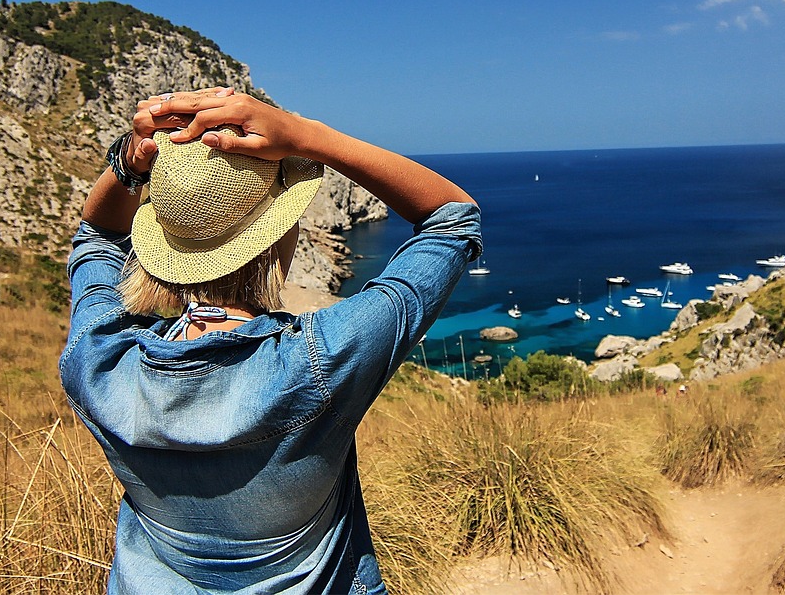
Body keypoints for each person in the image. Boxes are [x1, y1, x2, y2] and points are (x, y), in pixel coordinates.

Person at [60, 88, 481, 594]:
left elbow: (97, 236)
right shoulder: (319, 360)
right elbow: (454, 219)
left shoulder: (100, 360)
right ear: (276, 237)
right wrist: (306, 135)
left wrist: (130, 160)